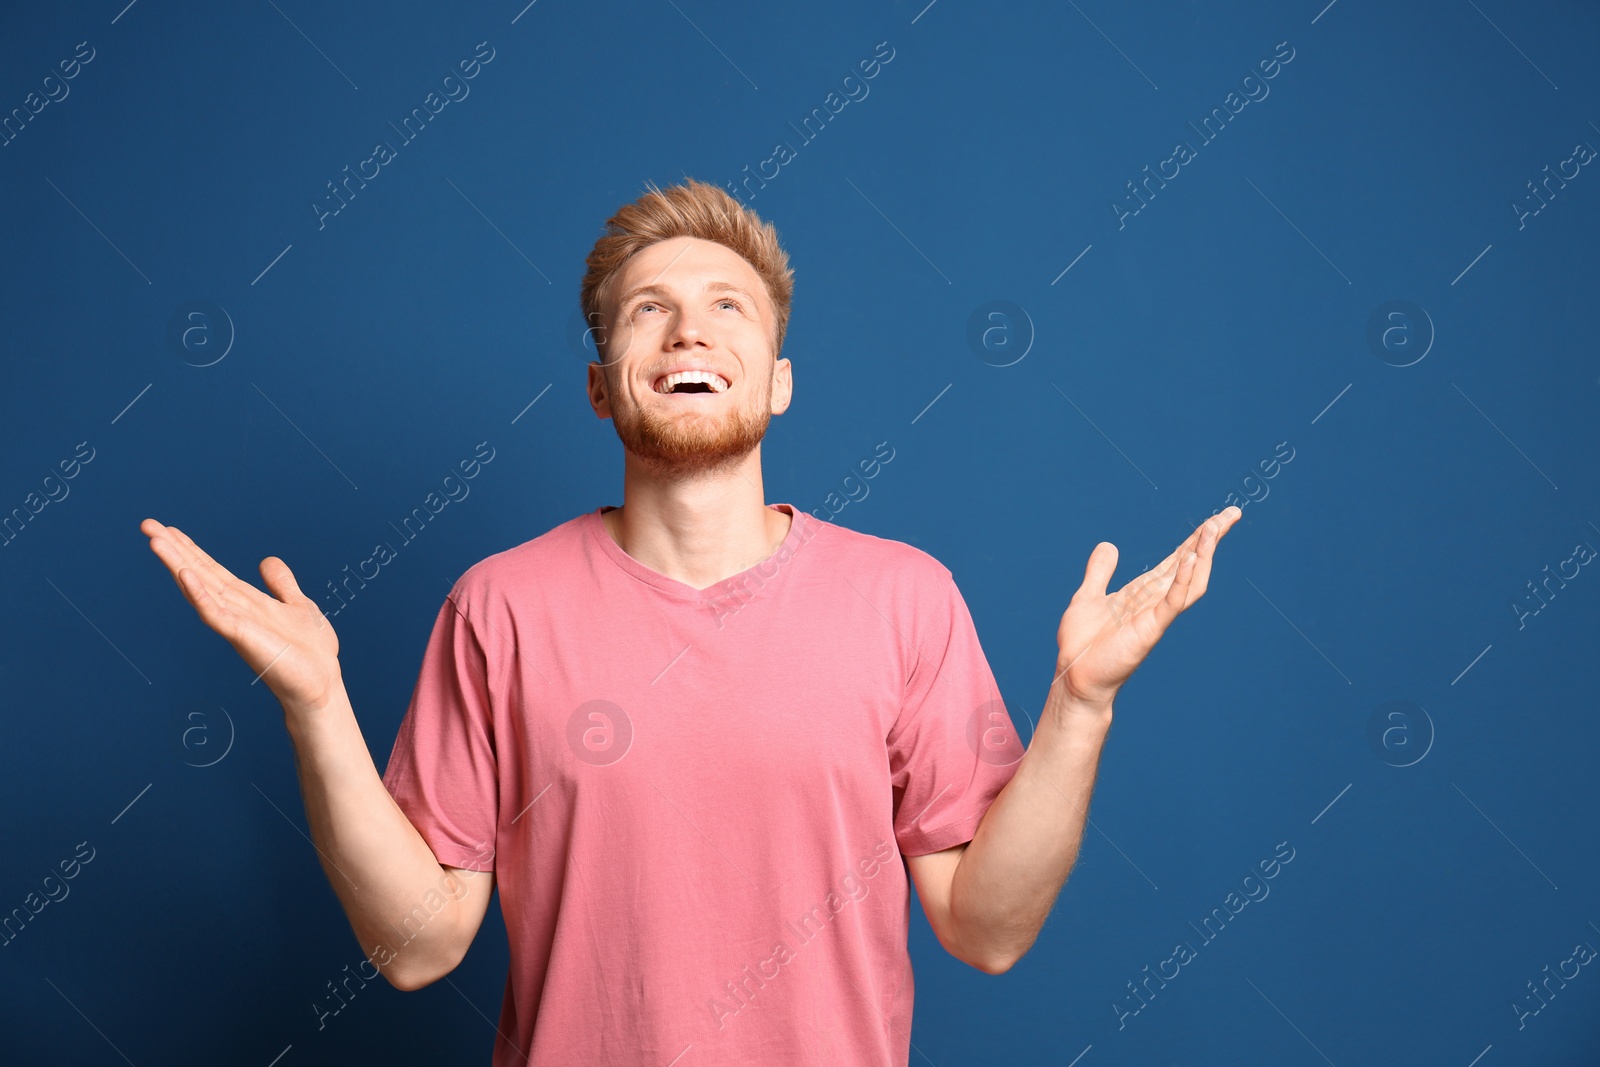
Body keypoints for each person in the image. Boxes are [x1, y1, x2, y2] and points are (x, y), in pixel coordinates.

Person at [140, 177, 1239, 1065]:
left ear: (780, 380)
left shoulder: (904, 596)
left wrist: (1082, 705)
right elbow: (420, 946)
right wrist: (317, 708)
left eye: (727, 306)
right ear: (601, 387)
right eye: (647, 309)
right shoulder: (500, 605)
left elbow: (984, 927)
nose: (686, 331)